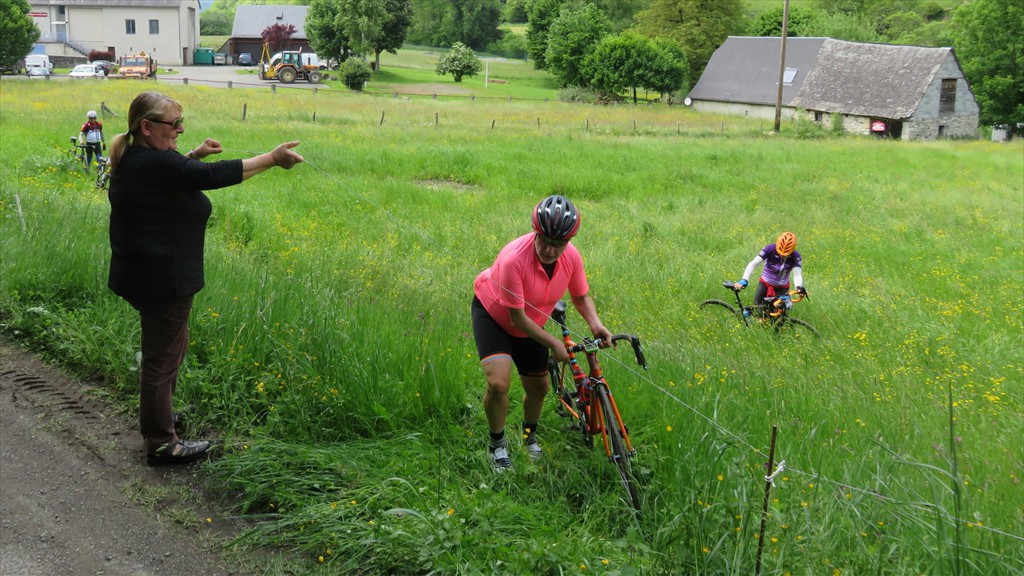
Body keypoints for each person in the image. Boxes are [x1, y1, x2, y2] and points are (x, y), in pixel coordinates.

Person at [106, 91, 303, 465]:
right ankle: (162, 443)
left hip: (145, 274)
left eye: (182, 123)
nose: (180, 129)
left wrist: (192, 155)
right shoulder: (155, 163)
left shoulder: (137, 156)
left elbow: (178, 176)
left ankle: (161, 418)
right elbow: (211, 177)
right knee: (160, 360)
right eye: (173, 124)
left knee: (169, 350)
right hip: (162, 279)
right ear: (146, 127)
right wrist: (273, 158)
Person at [472, 195, 612, 472]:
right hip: (494, 316)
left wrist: (596, 324)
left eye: (558, 244)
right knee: (499, 383)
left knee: (539, 388)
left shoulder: (571, 257)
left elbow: (581, 297)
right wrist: (553, 344)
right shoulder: (514, 259)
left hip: (530, 322)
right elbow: (517, 319)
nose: (549, 250)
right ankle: (497, 445)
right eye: (544, 241)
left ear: (568, 242)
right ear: (535, 232)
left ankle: (528, 438)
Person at [733, 231, 806, 308]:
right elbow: (753, 264)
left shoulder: (796, 256)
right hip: (764, 284)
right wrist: (745, 279)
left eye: (785, 255)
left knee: (780, 312)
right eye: (780, 253)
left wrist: (798, 287)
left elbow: (797, 275)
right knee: (758, 309)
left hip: (782, 288)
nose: (782, 256)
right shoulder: (770, 249)